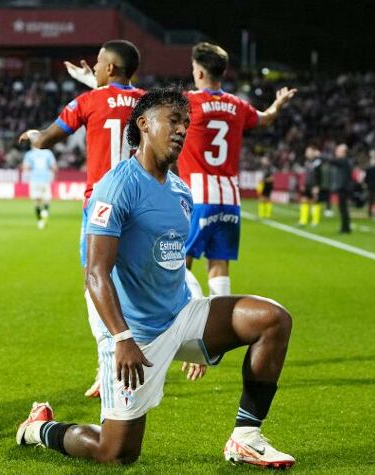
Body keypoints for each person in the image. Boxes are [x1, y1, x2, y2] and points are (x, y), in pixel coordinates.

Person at [16, 88, 295, 468]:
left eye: (185, 122)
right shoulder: (117, 187)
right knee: (115, 454)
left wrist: (198, 318)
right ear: (144, 125)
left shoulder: (181, 191)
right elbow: (95, 274)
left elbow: (175, 264)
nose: (181, 129)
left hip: (181, 318)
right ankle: (38, 428)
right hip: (136, 335)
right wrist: (122, 339)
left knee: (273, 319)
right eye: (173, 120)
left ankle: (246, 438)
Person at [18, 40, 146, 398]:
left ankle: (108, 361)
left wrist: (33, 136)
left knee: (96, 279)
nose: (95, 65)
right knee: (138, 280)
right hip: (143, 201)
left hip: (103, 204)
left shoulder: (88, 101)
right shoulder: (149, 100)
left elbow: (45, 141)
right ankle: (161, 350)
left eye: (99, 62)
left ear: (108, 68)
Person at [179, 42, 296, 298]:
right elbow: (265, 119)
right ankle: (221, 326)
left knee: (180, 261)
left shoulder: (188, 101)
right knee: (219, 265)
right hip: (230, 199)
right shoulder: (238, 105)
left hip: (197, 196)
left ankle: (196, 314)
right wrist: (278, 104)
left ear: (199, 73)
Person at [22, 142, 58, 229]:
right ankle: (45, 213)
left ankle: (39, 221)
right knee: (46, 200)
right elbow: (54, 167)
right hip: (45, 180)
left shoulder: (29, 154)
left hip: (34, 180)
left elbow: (25, 168)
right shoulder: (48, 153)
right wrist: (54, 176)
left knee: (36, 201)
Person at [332, 143, 353, 234]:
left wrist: (319, 155)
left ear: (344, 152)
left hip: (344, 188)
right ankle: (345, 227)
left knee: (343, 208)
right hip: (344, 188)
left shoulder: (344, 161)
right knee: (343, 208)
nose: (336, 152)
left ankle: (346, 228)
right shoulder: (346, 161)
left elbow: (332, 161)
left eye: (338, 151)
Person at [299, 146, 320, 226]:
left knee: (314, 202)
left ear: (313, 152)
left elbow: (320, 175)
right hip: (307, 184)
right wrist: (304, 184)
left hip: (314, 185)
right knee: (304, 201)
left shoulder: (318, 162)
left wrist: (317, 186)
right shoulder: (307, 162)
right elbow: (306, 175)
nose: (306, 153)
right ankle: (303, 220)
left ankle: (315, 221)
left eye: (308, 151)